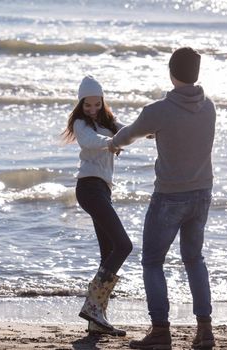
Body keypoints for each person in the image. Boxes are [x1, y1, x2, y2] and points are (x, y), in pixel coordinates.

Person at [109, 47, 216, 349]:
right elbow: (186, 136)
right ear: (196, 74)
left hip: (170, 196)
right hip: (202, 193)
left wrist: (113, 144)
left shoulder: (158, 111)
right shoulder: (209, 107)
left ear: (171, 72)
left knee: (153, 261)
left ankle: (160, 331)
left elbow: (129, 134)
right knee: (194, 259)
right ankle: (205, 331)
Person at [62, 75, 133, 336]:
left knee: (109, 253)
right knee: (124, 245)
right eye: (87, 105)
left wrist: (152, 130)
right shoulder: (82, 124)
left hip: (102, 190)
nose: (92, 109)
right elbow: (90, 142)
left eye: (96, 104)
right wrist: (112, 143)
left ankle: (96, 319)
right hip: (89, 188)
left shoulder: (109, 122)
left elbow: (129, 132)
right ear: (81, 104)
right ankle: (92, 306)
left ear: (103, 102)